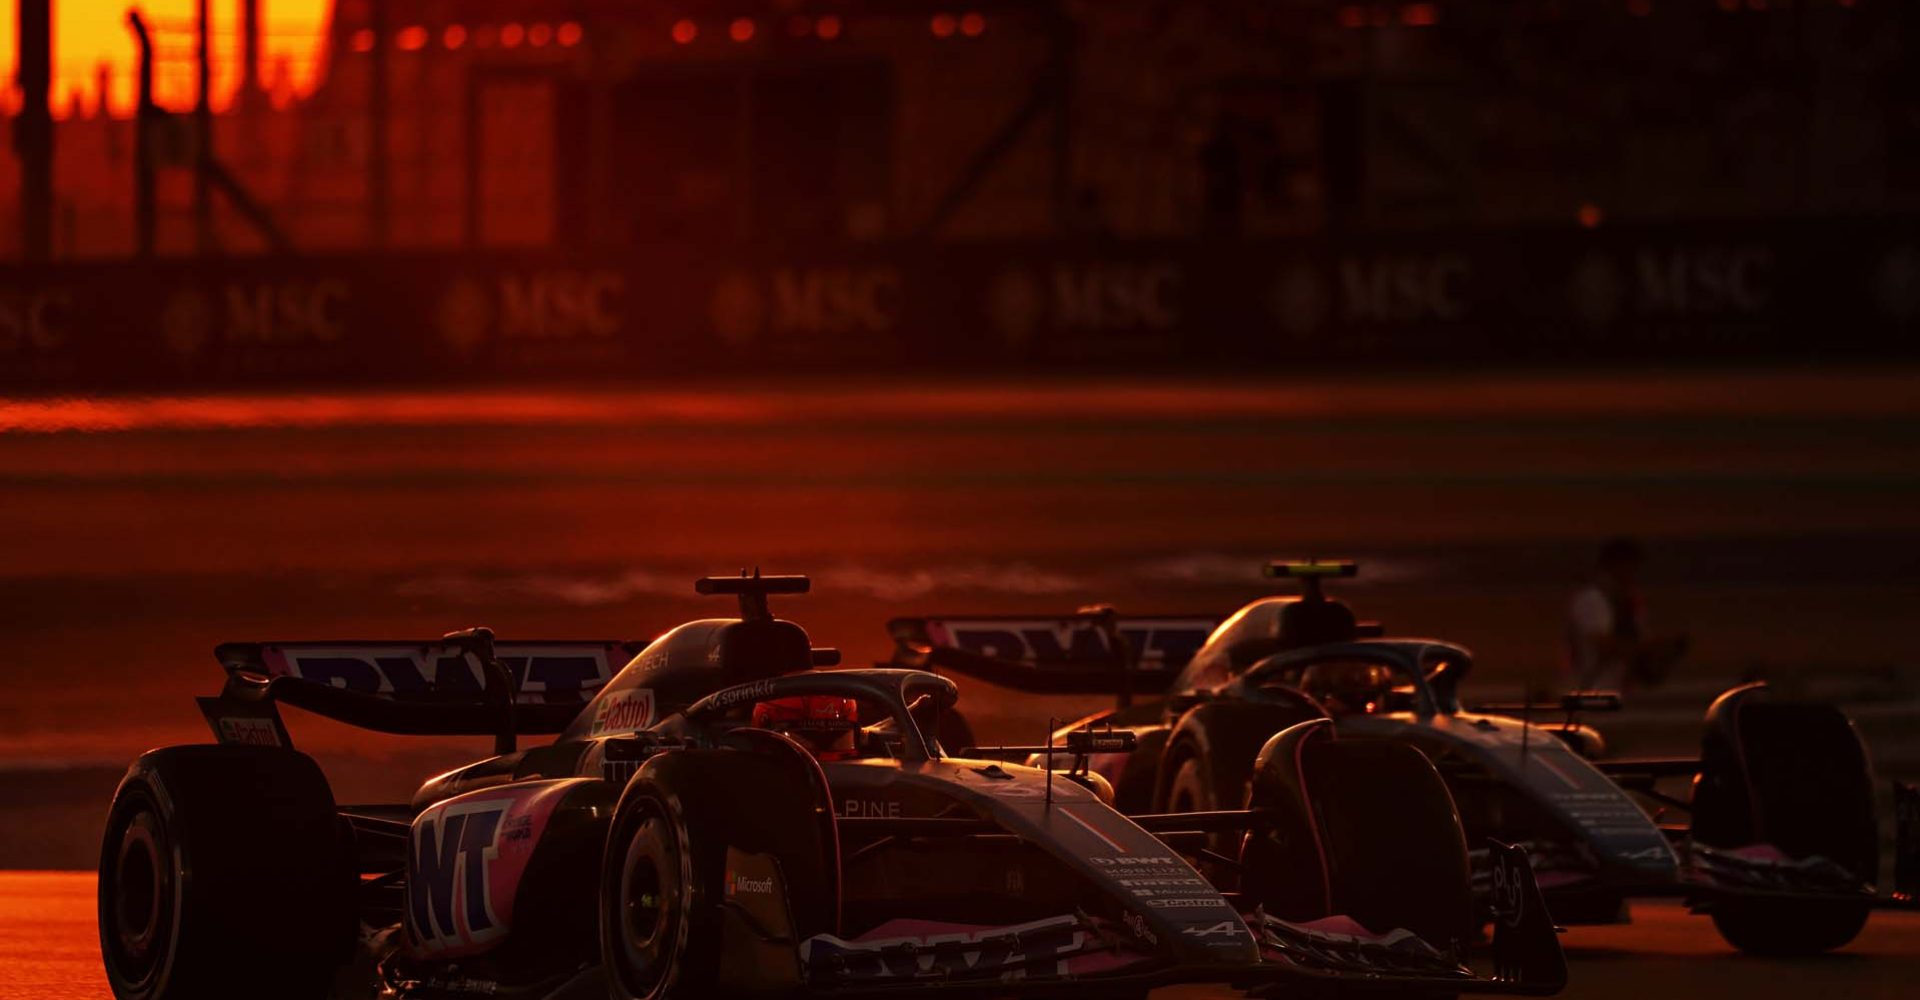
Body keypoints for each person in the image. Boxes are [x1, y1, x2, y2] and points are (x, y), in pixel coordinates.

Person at [1564, 538, 1688, 694]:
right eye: (1629, 566)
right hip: (1594, 689)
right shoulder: (1592, 599)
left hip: (1621, 688)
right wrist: (1650, 648)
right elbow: (1603, 646)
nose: (1633, 573)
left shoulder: (1629, 601)